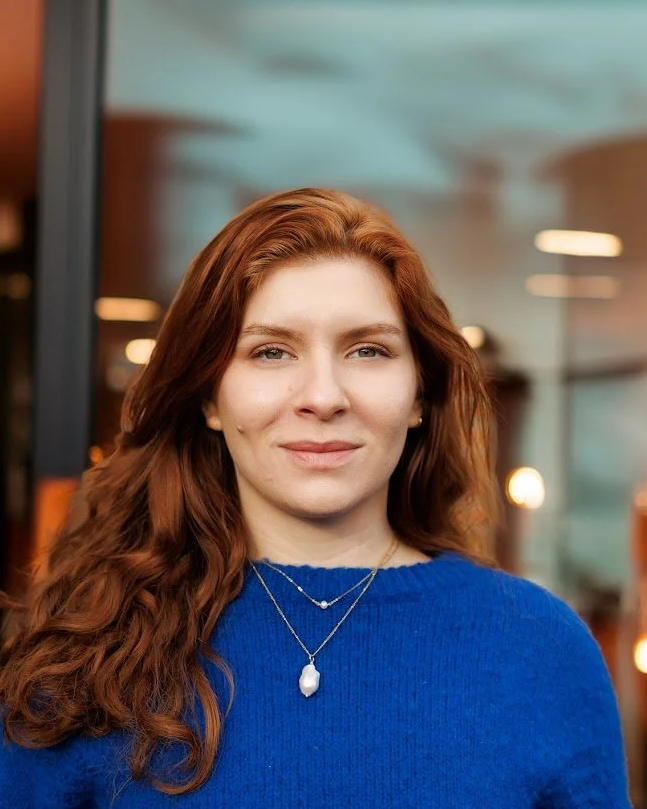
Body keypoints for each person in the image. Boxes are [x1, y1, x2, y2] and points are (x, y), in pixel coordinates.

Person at [0, 188, 631, 807]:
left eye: (367, 350)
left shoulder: (541, 650)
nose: (323, 396)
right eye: (271, 351)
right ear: (209, 397)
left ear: (418, 394)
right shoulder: (81, 654)